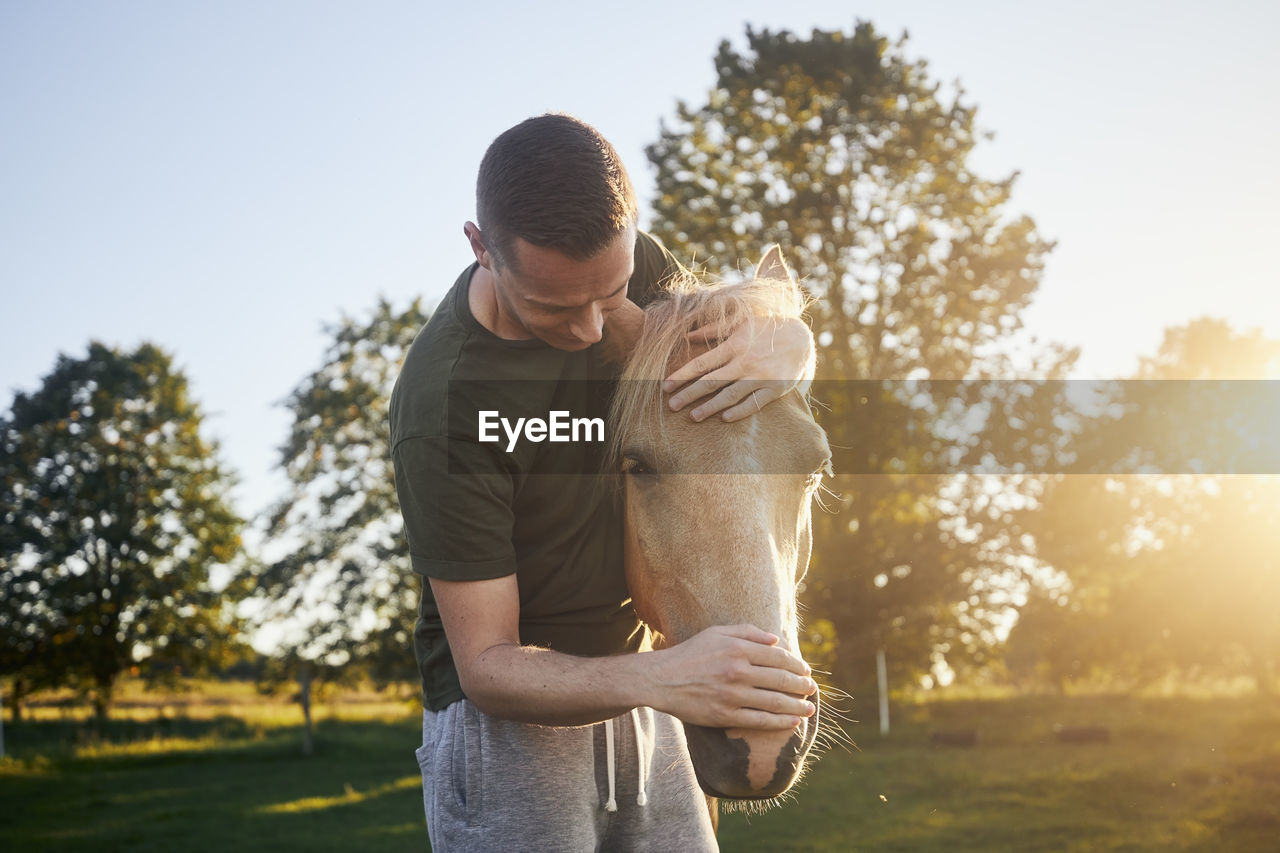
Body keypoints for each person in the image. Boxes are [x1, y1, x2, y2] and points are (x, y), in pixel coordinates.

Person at [390, 113, 817, 851]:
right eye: (556, 307)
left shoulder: (628, 262)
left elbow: (736, 346)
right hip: (515, 731)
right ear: (481, 248)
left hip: (658, 684)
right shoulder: (445, 406)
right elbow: (487, 665)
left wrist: (791, 342)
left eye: (611, 291)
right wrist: (665, 679)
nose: (593, 329)